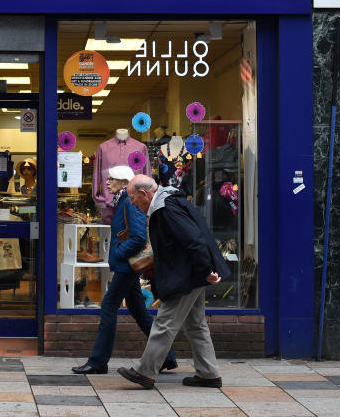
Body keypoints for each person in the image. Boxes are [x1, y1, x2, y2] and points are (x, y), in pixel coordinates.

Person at [118, 174, 230, 390]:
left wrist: (206, 270)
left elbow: (193, 240)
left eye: (133, 199)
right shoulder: (170, 202)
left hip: (187, 275)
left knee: (165, 322)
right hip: (192, 273)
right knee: (196, 324)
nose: (132, 203)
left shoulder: (166, 209)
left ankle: (145, 372)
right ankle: (209, 374)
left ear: (144, 193)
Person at [72, 165, 177, 375]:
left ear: (123, 181)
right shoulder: (121, 201)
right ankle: (167, 356)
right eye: (107, 178)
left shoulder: (128, 202)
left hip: (127, 266)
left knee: (109, 305)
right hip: (127, 265)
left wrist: (118, 253)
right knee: (138, 308)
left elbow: (138, 237)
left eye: (111, 179)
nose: (107, 182)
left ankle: (98, 361)